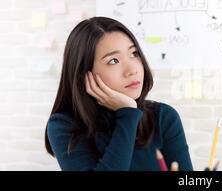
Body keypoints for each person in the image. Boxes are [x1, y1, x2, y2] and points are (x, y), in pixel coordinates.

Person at [44, 17, 193, 171]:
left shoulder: (163, 117)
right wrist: (128, 114)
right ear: (84, 74)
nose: (132, 70)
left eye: (134, 53)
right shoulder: (64, 125)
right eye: (114, 60)